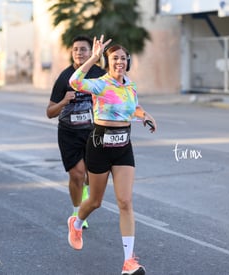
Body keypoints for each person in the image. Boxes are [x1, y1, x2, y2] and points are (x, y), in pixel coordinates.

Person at [67, 35, 157, 275]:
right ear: (108, 62)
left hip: (124, 146)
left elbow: (132, 106)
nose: (119, 61)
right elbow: (75, 81)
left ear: (128, 61)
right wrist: (93, 58)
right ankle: (75, 223)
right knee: (95, 201)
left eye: (122, 58)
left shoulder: (130, 85)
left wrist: (144, 115)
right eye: (114, 58)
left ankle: (129, 262)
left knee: (125, 202)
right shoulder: (99, 83)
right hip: (99, 145)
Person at [46, 35, 105, 229]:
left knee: (91, 175)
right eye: (76, 49)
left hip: (94, 132)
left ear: (91, 52)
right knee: (77, 174)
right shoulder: (65, 78)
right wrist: (64, 101)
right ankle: (77, 211)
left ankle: (85, 190)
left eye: (83, 49)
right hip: (69, 133)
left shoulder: (101, 74)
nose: (79, 52)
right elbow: (49, 112)